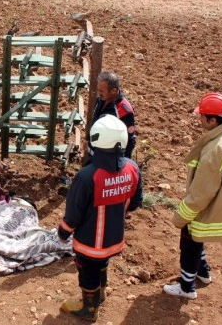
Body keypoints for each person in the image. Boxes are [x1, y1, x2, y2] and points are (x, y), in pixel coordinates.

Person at [163, 92, 222, 299]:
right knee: (198, 239)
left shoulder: (215, 148)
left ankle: (186, 287)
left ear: (212, 120)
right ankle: (203, 273)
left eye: (202, 116)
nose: (199, 119)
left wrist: (182, 215)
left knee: (189, 242)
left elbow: (203, 192)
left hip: (206, 206)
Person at [58, 114, 143, 321]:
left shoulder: (87, 176)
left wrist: (63, 232)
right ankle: (101, 293)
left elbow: (74, 213)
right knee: (102, 262)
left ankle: (89, 308)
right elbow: (135, 201)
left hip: (89, 242)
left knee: (87, 271)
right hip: (114, 237)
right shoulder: (132, 168)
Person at [87, 70, 136, 161]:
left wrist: (123, 163)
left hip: (108, 161)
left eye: (101, 91)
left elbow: (130, 140)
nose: (98, 93)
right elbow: (95, 120)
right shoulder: (100, 100)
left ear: (114, 90)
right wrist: (87, 140)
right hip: (93, 155)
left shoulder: (124, 110)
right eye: (98, 89)